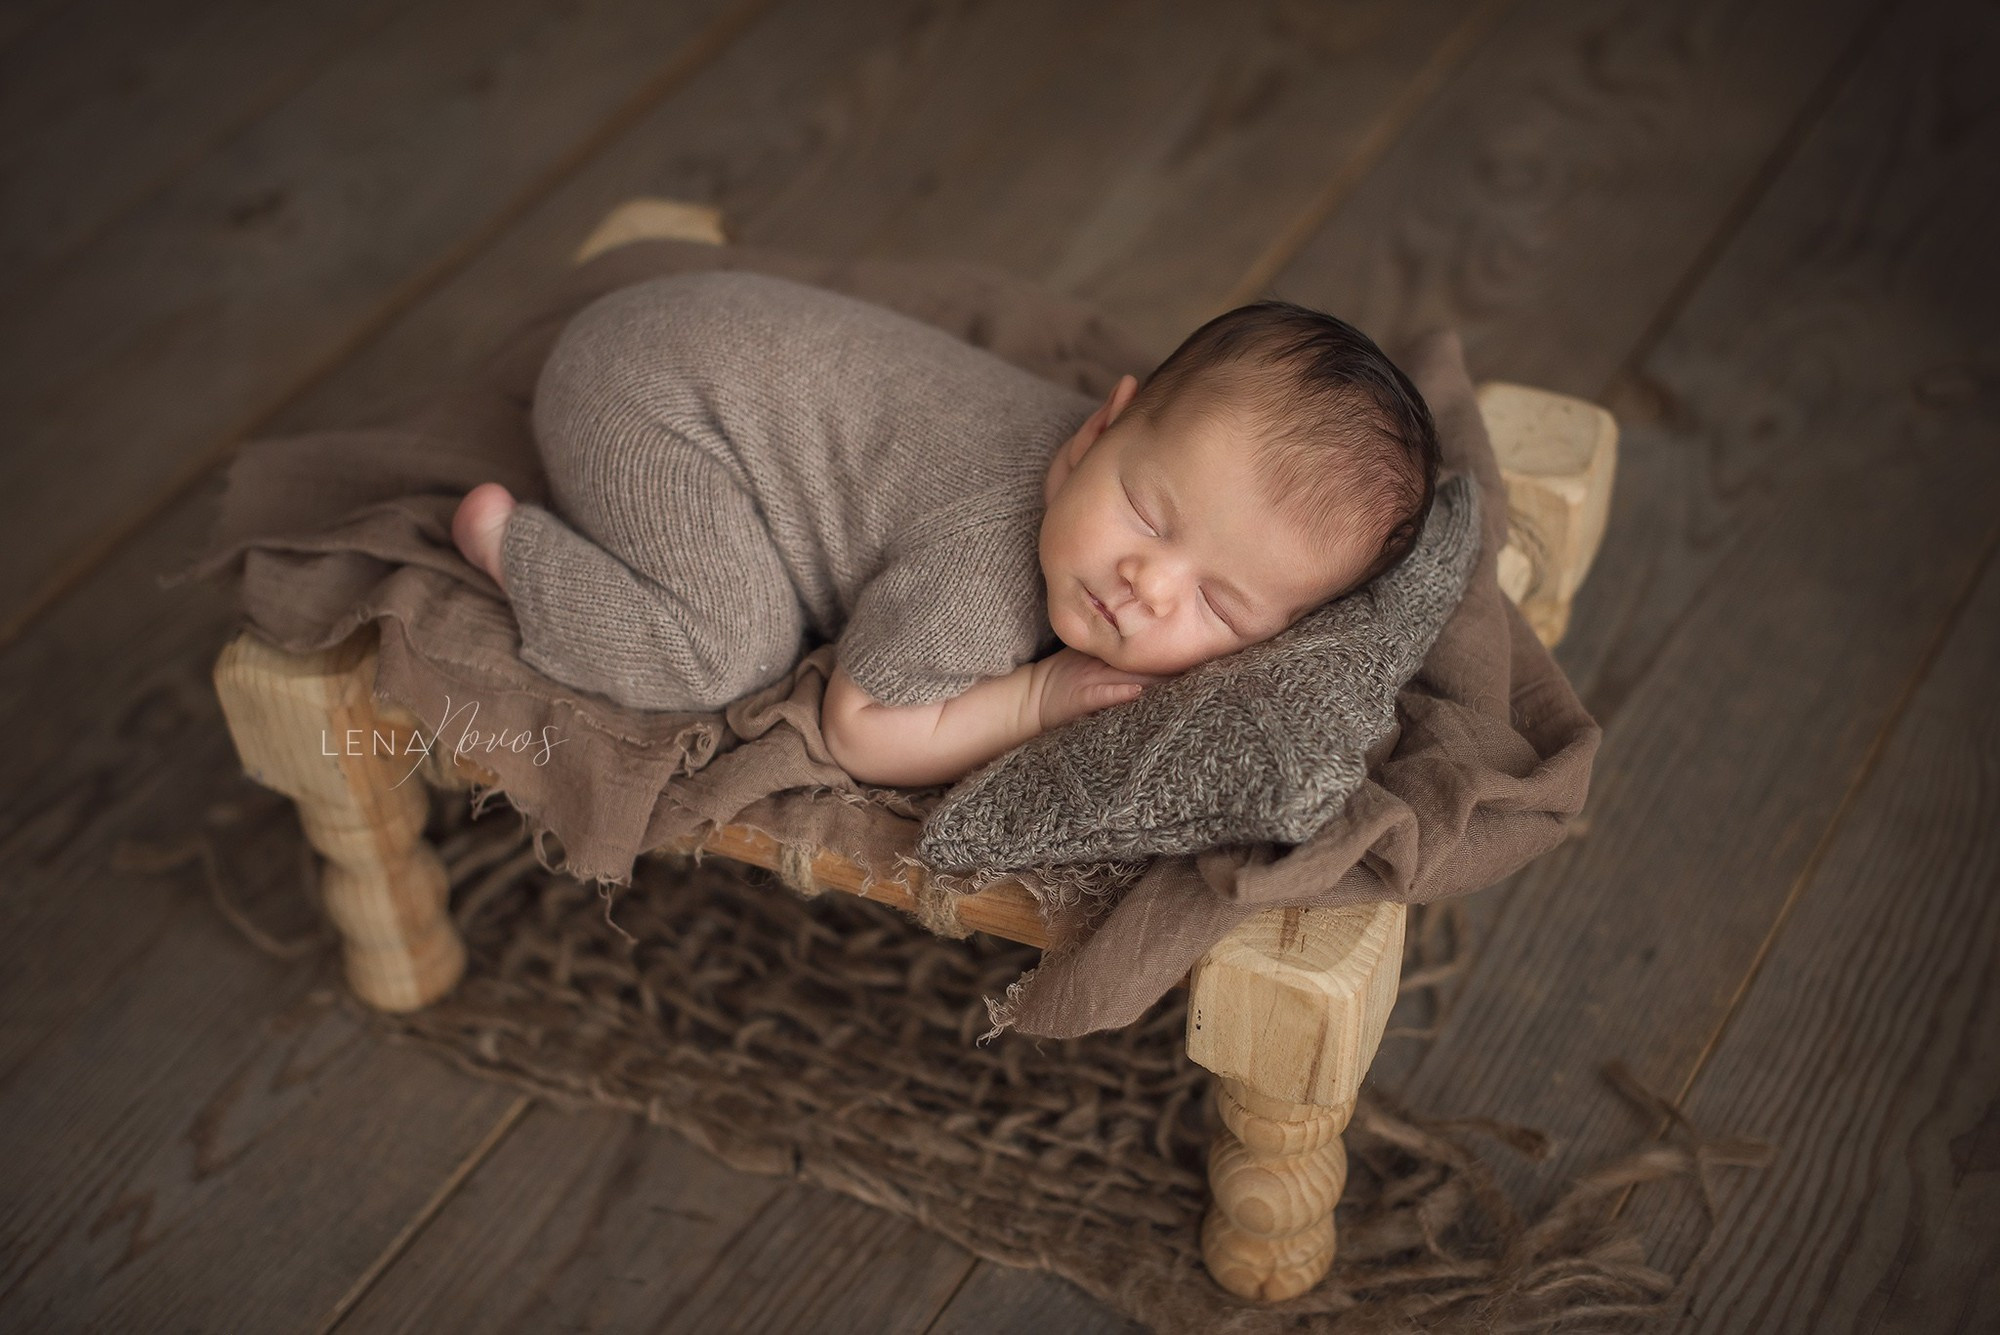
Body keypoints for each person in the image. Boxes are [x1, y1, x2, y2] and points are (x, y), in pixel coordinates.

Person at [452, 269, 1437, 787]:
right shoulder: (981, 576)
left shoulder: (1135, 458)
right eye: (1145, 512)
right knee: (722, 654)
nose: (1147, 582)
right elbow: (859, 730)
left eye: (1217, 603)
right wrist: (1035, 698)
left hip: (698, 325)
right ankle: (508, 546)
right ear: (1099, 426)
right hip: (643, 405)